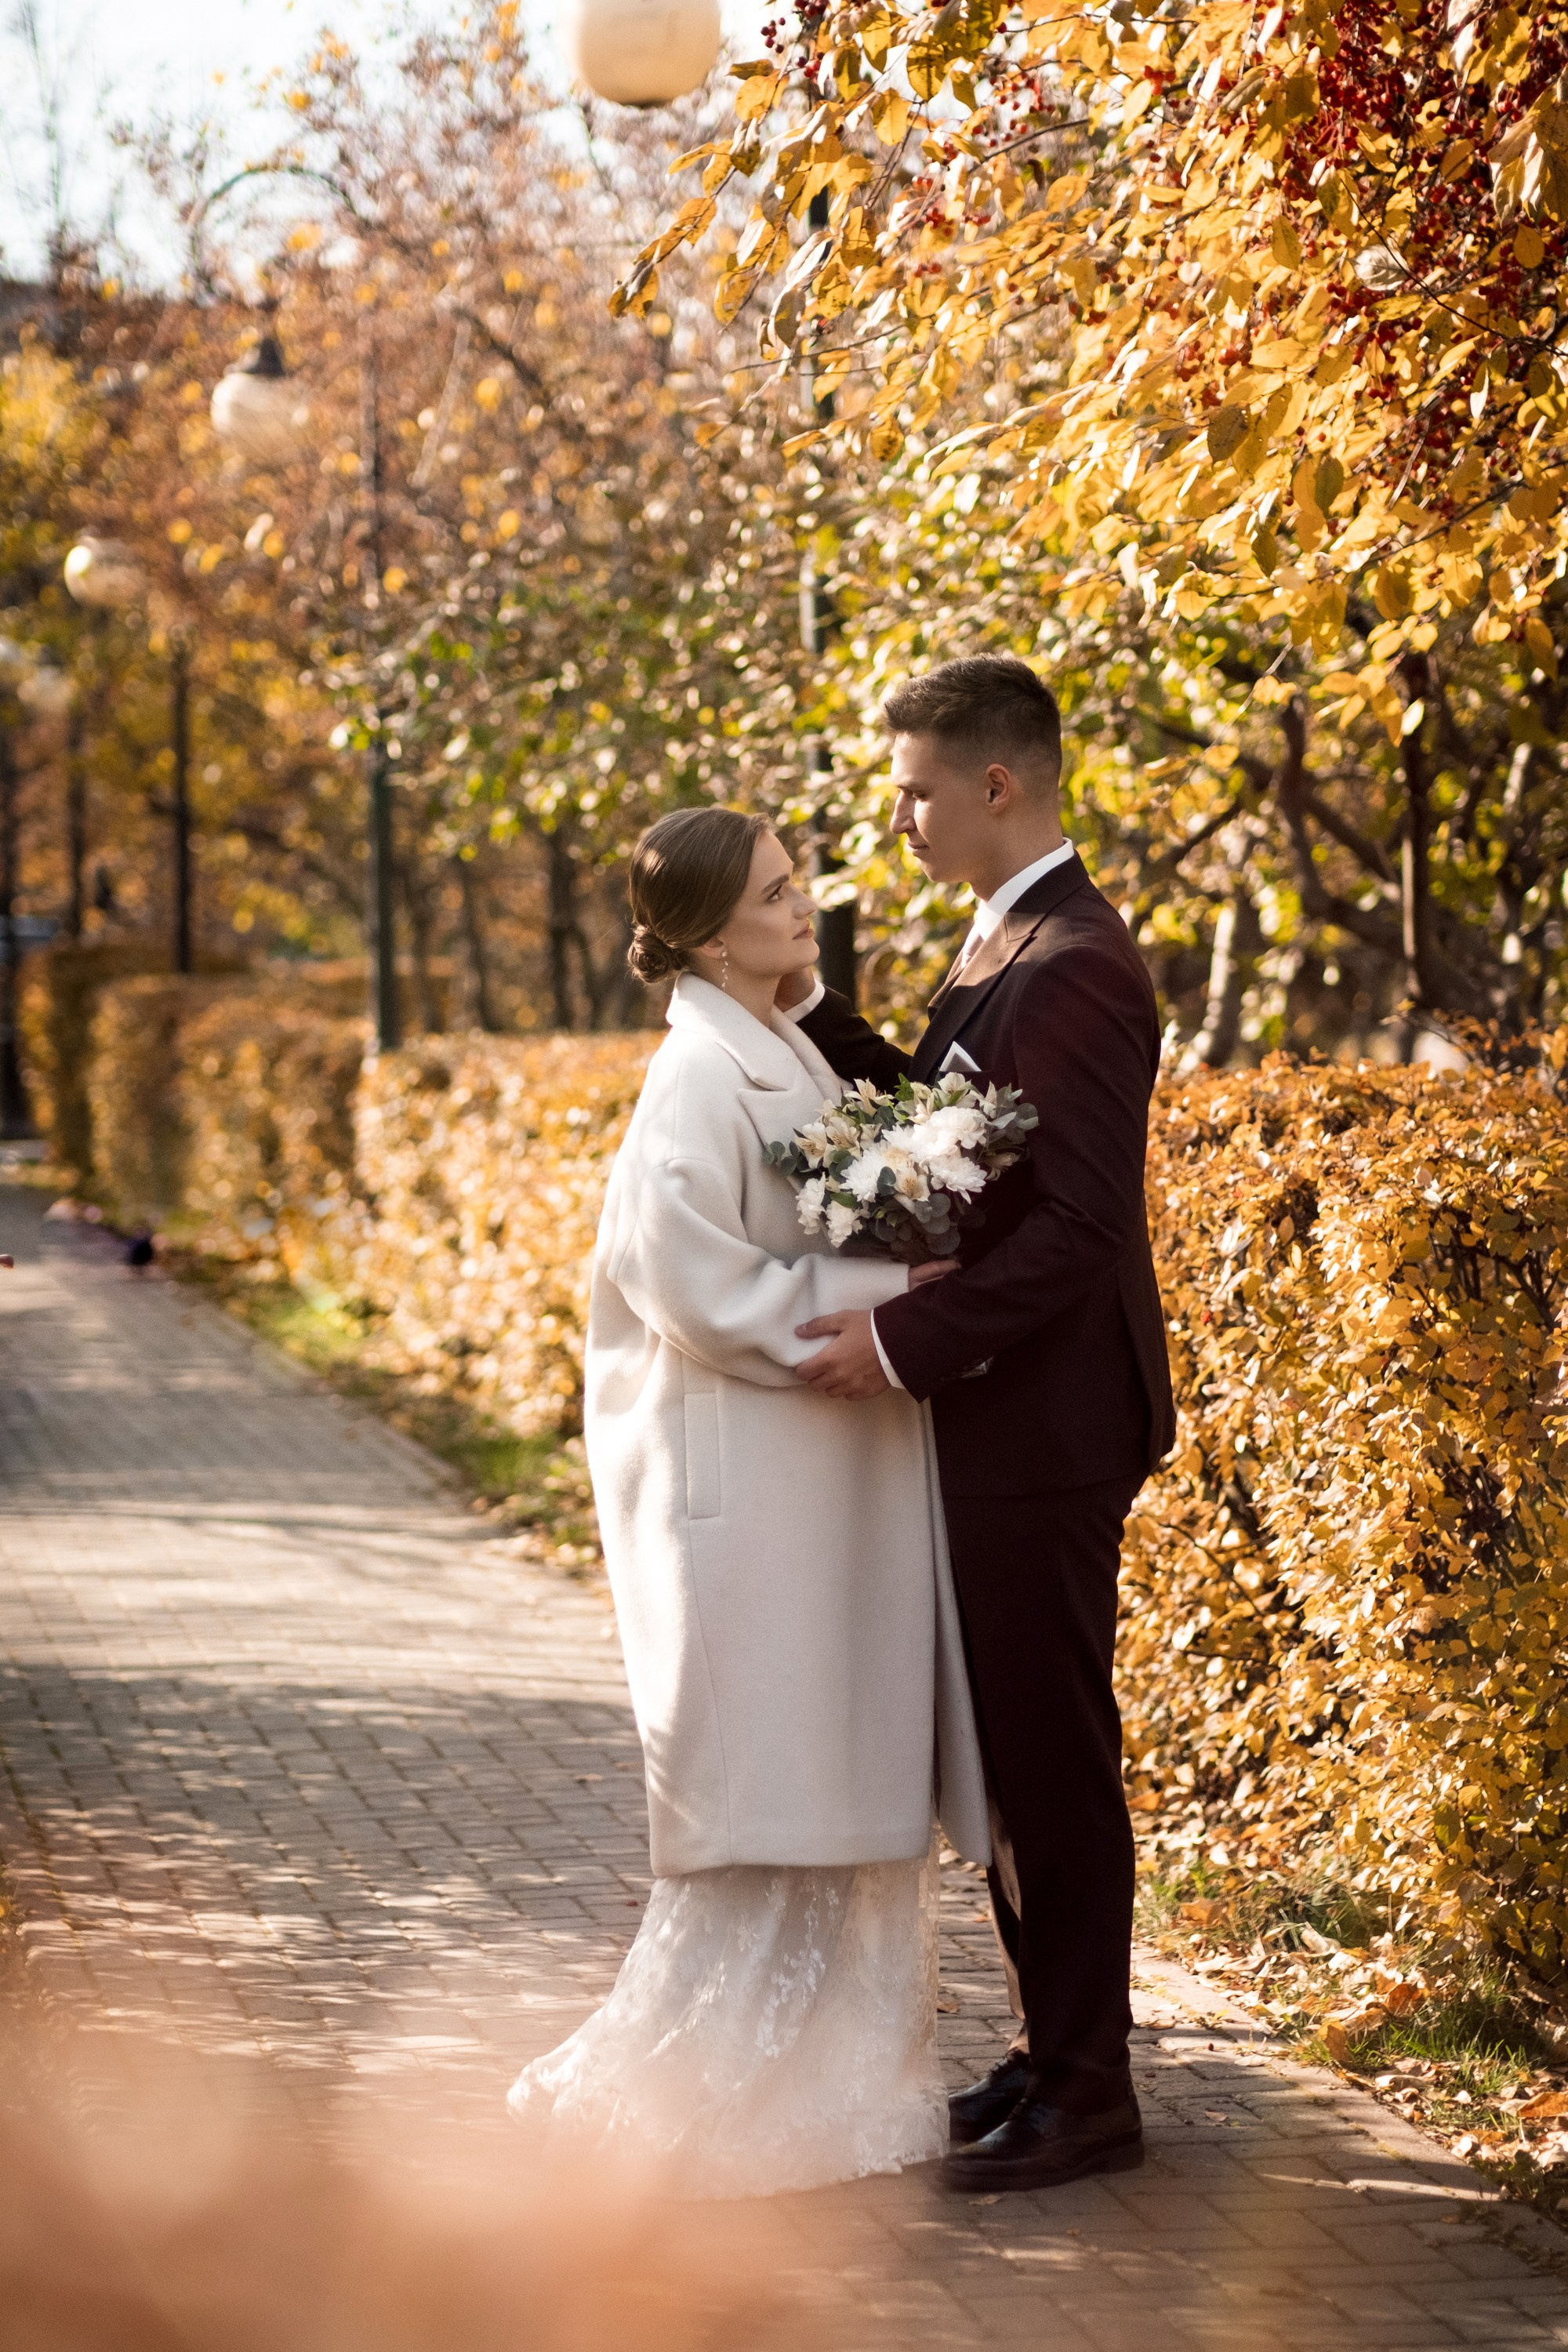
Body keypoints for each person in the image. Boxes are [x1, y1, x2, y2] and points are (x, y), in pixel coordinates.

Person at [508, 805, 990, 2200]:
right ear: (714, 931)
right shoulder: (696, 1080)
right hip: (751, 1481)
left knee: (833, 1767)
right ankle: (714, 2085)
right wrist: (886, 1297)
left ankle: (839, 2065)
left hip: (822, 1476)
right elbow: (691, 1284)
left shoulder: (772, 1044)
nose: (807, 902)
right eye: (781, 893)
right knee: (773, 1784)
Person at [783, 655, 1175, 2194]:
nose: (898, 814)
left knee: (1048, 1768)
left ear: (994, 785)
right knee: (1012, 1767)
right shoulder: (1004, 940)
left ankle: (1093, 2096)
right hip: (1006, 1427)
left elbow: (1073, 1225)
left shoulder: (1073, 959)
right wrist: (808, 1021)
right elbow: (949, 1148)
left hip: (1049, 1430)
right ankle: (1052, 2049)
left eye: (916, 788)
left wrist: (895, 1343)